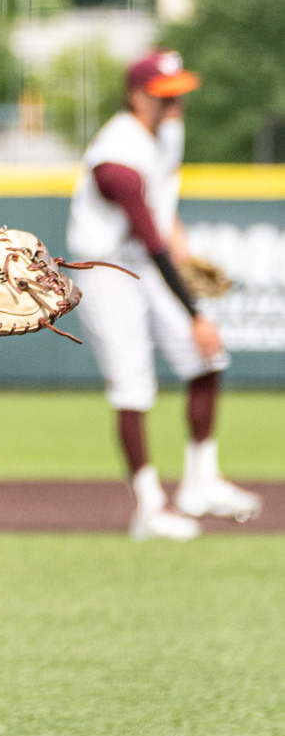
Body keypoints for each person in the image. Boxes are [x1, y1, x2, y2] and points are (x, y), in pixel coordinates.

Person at [67, 49, 261, 540]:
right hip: (106, 269)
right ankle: (149, 508)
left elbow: (163, 213)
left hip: (143, 262)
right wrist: (195, 310)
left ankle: (201, 482)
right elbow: (148, 236)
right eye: (164, 97)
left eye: (179, 95)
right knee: (133, 386)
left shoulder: (166, 132)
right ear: (137, 96)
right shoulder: (116, 160)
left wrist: (188, 259)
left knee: (207, 359)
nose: (176, 106)